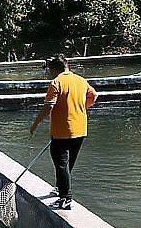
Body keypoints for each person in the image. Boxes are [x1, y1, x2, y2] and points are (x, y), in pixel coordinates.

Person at [29, 54, 98, 210]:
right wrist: (82, 108)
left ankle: (65, 198)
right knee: (68, 163)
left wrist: (35, 124)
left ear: (54, 69)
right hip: (80, 129)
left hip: (62, 131)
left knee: (61, 164)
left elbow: (48, 106)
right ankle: (60, 188)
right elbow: (94, 95)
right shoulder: (81, 80)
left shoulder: (56, 82)